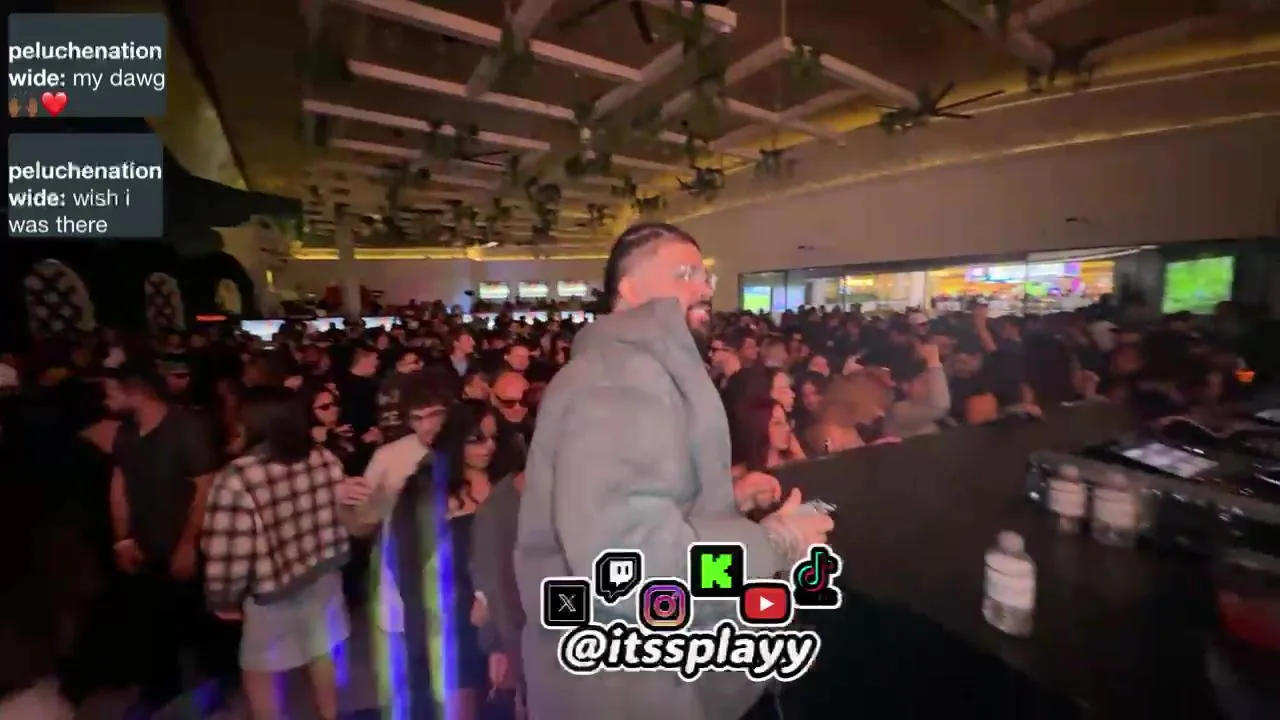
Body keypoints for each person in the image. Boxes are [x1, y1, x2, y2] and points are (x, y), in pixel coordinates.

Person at [515, 223, 833, 720]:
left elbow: (629, 506)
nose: (704, 287)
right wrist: (776, 542)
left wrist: (721, 496)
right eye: (684, 273)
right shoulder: (617, 378)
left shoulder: (638, 370)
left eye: (705, 276)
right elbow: (630, 565)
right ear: (629, 289)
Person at [201, 386, 356, 720]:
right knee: (322, 651)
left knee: (260, 669)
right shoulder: (323, 457)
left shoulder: (239, 476)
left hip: (271, 588)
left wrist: (223, 598)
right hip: (323, 574)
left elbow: (229, 547)